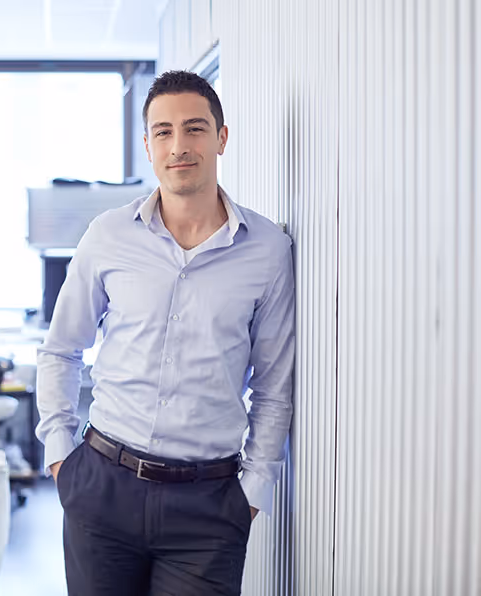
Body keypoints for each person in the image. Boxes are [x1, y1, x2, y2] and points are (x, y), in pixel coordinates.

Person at [35, 70, 295, 595]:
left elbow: (274, 385)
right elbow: (62, 349)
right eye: (164, 131)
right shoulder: (107, 236)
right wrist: (62, 456)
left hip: (209, 507)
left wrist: (252, 490)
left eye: (195, 129)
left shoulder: (267, 249)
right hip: (101, 489)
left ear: (221, 138)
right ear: (148, 144)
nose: (180, 145)